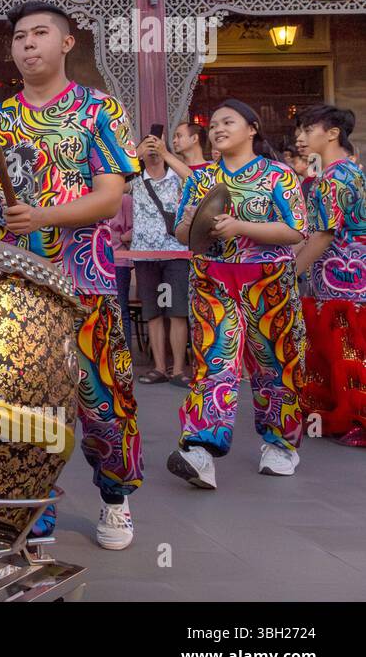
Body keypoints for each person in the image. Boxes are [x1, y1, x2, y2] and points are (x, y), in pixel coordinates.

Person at [0, 0, 142, 550]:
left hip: (85, 281)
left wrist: (43, 216)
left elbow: (111, 196)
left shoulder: (99, 111)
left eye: (40, 33)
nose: (27, 44)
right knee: (20, 401)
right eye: (19, 36)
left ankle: (115, 498)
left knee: (101, 398)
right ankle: (30, 507)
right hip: (17, 288)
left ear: (67, 43)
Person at [168, 99, 308, 489]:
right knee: (214, 361)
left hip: (268, 282)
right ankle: (200, 449)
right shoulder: (200, 178)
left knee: (274, 363)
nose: (217, 129)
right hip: (212, 279)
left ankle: (280, 443)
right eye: (212, 125)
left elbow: (296, 230)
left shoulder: (278, 175)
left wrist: (240, 226)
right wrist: (196, 221)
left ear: (252, 129)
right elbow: (181, 233)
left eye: (227, 122)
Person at [293, 104, 365, 446]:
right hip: (343, 274)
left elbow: (323, 235)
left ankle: (355, 419)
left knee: (346, 349)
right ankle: (343, 415)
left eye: (309, 130)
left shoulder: (335, 177)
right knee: (342, 348)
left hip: (344, 276)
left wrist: (291, 272)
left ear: (332, 133)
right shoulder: (347, 172)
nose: (302, 137)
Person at [128, 133, 191, 387]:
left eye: (158, 142)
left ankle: (178, 370)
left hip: (175, 252)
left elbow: (196, 180)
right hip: (144, 256)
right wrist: (136, 155)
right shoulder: (134, 181)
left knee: (177, 312)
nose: (153, 147)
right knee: (152, 313)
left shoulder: (176, 177)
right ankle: (159, 367)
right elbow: (113, 182)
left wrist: (166, 154)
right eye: (148, 144)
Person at [108, 192, 135, 359]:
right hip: (95, 263)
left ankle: (125, 357)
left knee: (121, 310)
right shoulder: (88, 196)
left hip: (119, 262)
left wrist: (120, 237)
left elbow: (134, 228)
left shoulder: (124, 199)